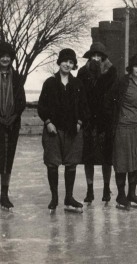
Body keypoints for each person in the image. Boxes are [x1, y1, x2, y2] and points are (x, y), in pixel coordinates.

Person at [38, 48, 89, 213]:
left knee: (71, 165)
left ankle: (69, 196)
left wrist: (79, 123)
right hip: (53, 130)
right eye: (65, 61)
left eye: (71, 62)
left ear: (73, 65)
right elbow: (41, 107)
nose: (67, 64)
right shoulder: (50, 83)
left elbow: (84, 107)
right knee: (52, 164)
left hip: (72, 131)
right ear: (59, 62)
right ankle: (54, 198)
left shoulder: (78, 84)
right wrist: (48, 122)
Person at [106, 54, 137, 210]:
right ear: (131, 68)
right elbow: (109, 100)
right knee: (123, 161)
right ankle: (121, 195)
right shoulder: (123, 82)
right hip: (124, 127)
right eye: (136, 66)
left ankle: (131, 193)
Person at [77, 42, 117, 204]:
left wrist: (109, 117)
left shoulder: (111, 72)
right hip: (88, 121)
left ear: (103, 57)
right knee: (88, 158)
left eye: (99, 56)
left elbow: (113, 96)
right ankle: (90, 189)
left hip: (105, 122)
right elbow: (80, 97)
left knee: (107, 158)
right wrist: (84, 117)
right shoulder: (82, 72)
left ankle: (107, 188)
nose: (96, 58)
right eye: (93, 55)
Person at [0, 42, 26, 211]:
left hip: (11, 124)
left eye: (8, 56)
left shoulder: (16, 78)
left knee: (7, 160)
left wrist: (13, 116)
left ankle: (4, 194)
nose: (5, 59)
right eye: (2, 56)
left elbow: (21, 101)